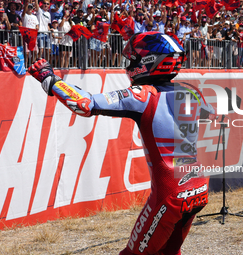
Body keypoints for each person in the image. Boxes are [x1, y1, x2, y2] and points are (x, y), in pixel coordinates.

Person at [28, 31, 215, 255]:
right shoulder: (191, 91)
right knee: (168, 252)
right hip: (198, 186)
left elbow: (84, 104)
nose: (129, 64)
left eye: (133, 59)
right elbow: (209, 114)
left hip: (171, 192)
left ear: (148, 61)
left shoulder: (144, 94)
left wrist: (50, 79)